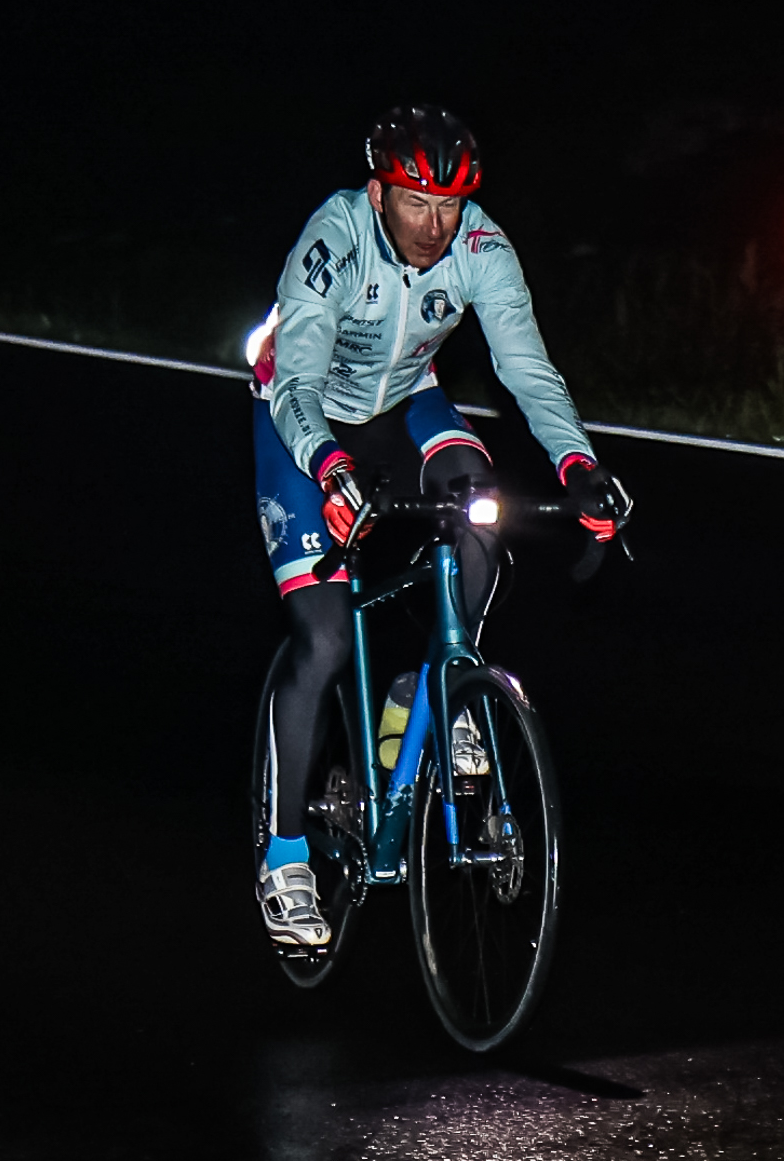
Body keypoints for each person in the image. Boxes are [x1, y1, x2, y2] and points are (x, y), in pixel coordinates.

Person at [248, 103, 630, 946]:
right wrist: (329, 467)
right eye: (417, 203)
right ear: (380, 189)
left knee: (482, 513)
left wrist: (579, 464)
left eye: (451, 206)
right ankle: (285, 858)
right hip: (304, 425)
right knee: (320, 637)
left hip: (408, 406)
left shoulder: (483, 248)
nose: (435, 225)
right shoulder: (334, 238)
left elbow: (528, 369)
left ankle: (425, 690)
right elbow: (296, 382)